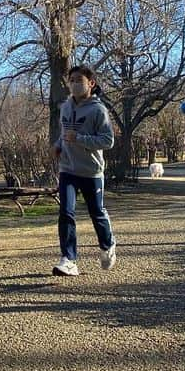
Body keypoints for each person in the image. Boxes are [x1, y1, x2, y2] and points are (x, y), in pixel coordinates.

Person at [51, 65, 116, 277]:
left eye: (79, 80)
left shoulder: (99, 110)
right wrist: (59, 145)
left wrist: (79, 139)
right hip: (68, 169)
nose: (74, 84)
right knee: (66, 213)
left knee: (96, 213)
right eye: (71, 80)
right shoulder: (65, 107)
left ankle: (108, 244)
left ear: (91, 83)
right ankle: (69, 259)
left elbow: (108, 141)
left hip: (91, 171)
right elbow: (65, 132)